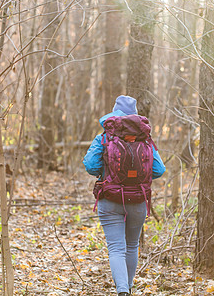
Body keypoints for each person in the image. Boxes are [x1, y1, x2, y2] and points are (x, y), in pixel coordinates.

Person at [83, 95, 165, 296]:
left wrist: (108, 172)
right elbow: (159, 169)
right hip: (137, 200)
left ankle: (122, 291)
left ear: (114, 112)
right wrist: (138, 178)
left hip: (110, 199)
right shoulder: (144, 137)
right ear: (135, 115)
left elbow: (90, 165)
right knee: (132, 246)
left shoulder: (104, 136)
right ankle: (127, 288)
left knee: (116, 248)